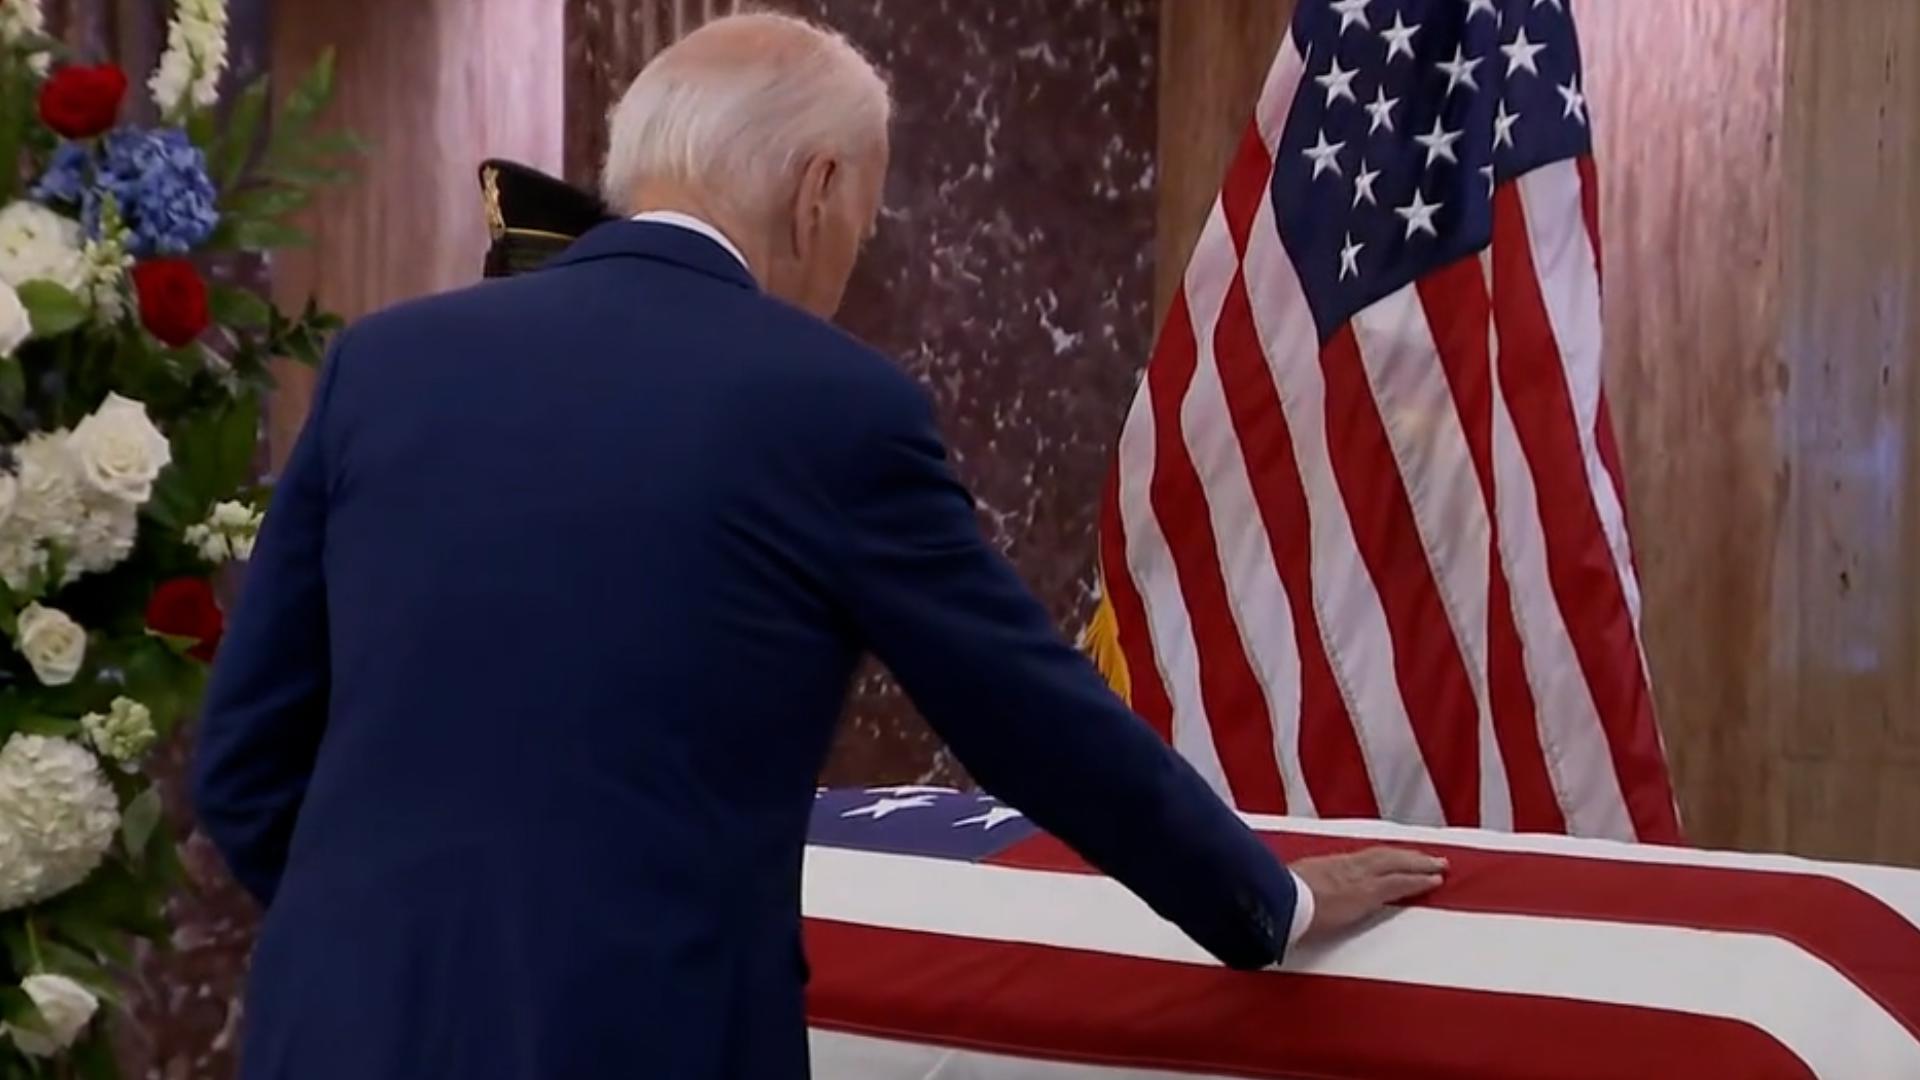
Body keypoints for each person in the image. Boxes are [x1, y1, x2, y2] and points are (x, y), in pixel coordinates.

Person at [193, 12, 1444, 1080]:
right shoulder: (827, 404)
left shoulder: (388, 364)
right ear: (820, 189)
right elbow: (1028, 713)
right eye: (869, 211)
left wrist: (379, 935)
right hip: (643, 1037)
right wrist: (1263, 900)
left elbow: (247, 760)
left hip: (334, 1024)